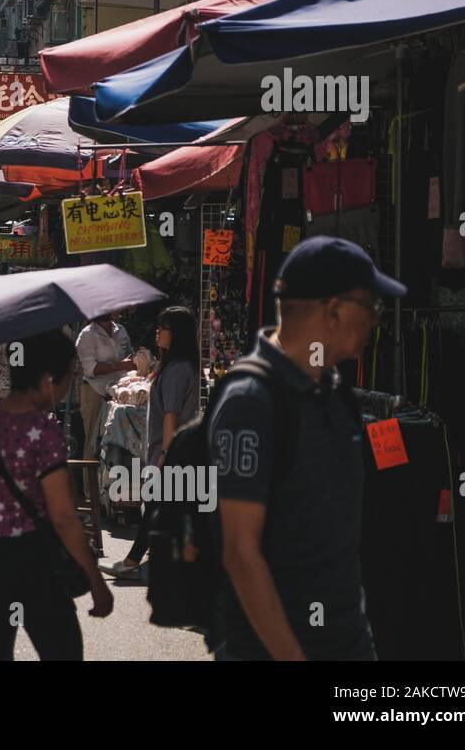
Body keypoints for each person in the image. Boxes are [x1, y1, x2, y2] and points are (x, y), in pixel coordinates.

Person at [211, 236, 403, 661]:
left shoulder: (334, 392)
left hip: (347, 642)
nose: (376, 319)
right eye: (370, 306)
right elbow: (241, 552)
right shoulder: (251, 401)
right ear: (333, 311)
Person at [0, 329, 113, 660]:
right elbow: (63, 517)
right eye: (67, 379)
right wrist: (96, 580)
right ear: (48, 379)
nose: (66, 389)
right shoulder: (42, 431)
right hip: (32, 561)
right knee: (62, 651)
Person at [101, 306, 201, 578]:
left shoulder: (178, 370)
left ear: (177, 334)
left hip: (170, 449)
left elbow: (171, 415)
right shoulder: (175, 366)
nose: (158, 332)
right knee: (166, 509)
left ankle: (134, 562)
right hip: (172, 449)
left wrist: (164, 455)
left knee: (158, 507)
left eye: (164, 328)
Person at [74, 312, 134, 459]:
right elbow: (90, 369)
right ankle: (91, 481)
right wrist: (118, 365)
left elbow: (129, 354)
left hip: (119, 392)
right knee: (92, 442)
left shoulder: (121, 330)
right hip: (95, 391)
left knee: (117, 442)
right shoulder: (87, 334)